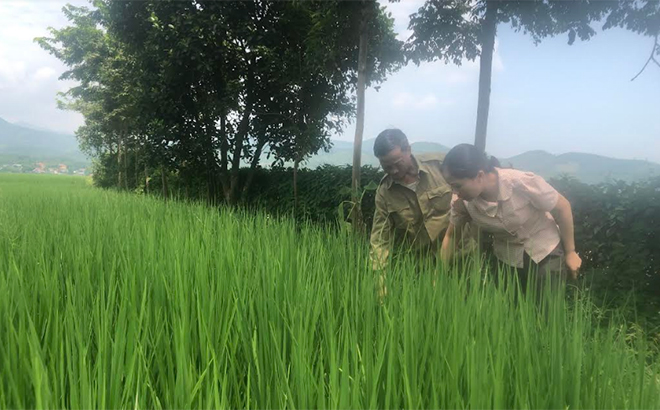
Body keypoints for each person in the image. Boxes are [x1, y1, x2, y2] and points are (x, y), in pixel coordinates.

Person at [440, 143, 581, 292]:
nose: (455, 192)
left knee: (546, 310)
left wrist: (570, 252)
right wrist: (439, 273)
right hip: (507, 257)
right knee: (511, 311)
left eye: (458, 186)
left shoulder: (520, 182)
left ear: (480, 175)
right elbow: (452, 235)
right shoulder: (461, 202)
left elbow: (562, 207)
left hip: (544, 250)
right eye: (451, 186)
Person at [369, 129, 454, 274]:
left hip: (460, 258)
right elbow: (380, 239)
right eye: (386, 167)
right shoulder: (385, 193)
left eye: (397, 163)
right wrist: (379, 278)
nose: (393, 171)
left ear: (408, 150)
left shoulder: (440, 165)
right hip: (423, 267)